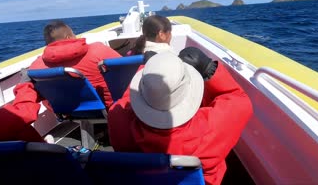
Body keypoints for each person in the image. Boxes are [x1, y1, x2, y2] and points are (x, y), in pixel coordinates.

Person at [107, 49, 253, 185]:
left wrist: (150, 79)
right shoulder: (212, 126)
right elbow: (240, 101)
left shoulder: (117, 121)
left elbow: (125, 101)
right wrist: (210, 70)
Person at [14, 20, 121, 111]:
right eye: (74, 33)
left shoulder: (36, 66)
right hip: (108, 107)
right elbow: (127, 72)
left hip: (66, 111)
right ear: (69, 37)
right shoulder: (98, 50)